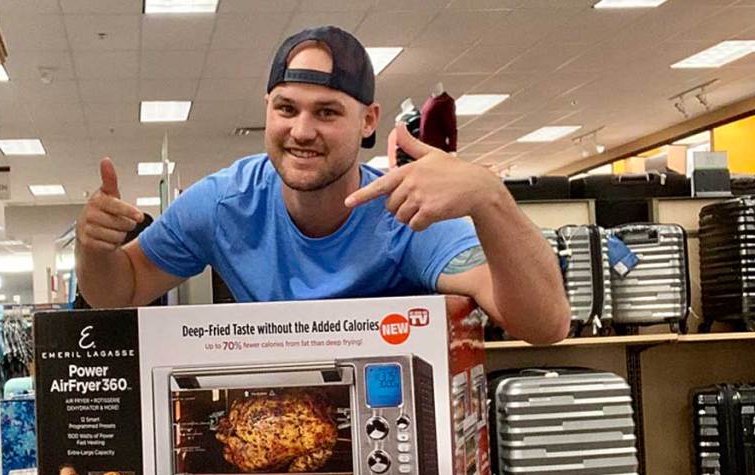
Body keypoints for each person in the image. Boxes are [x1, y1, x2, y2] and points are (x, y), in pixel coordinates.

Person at [75, 26, 569, 345]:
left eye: (327, 112)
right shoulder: (225, 204)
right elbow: (122, 289)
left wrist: (489, 197)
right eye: (286, 109)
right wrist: (93, 249)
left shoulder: (407, 216)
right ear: (267, 109)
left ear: (368, 121)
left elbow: (545, 325)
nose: (302, 131)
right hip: (272, 444)